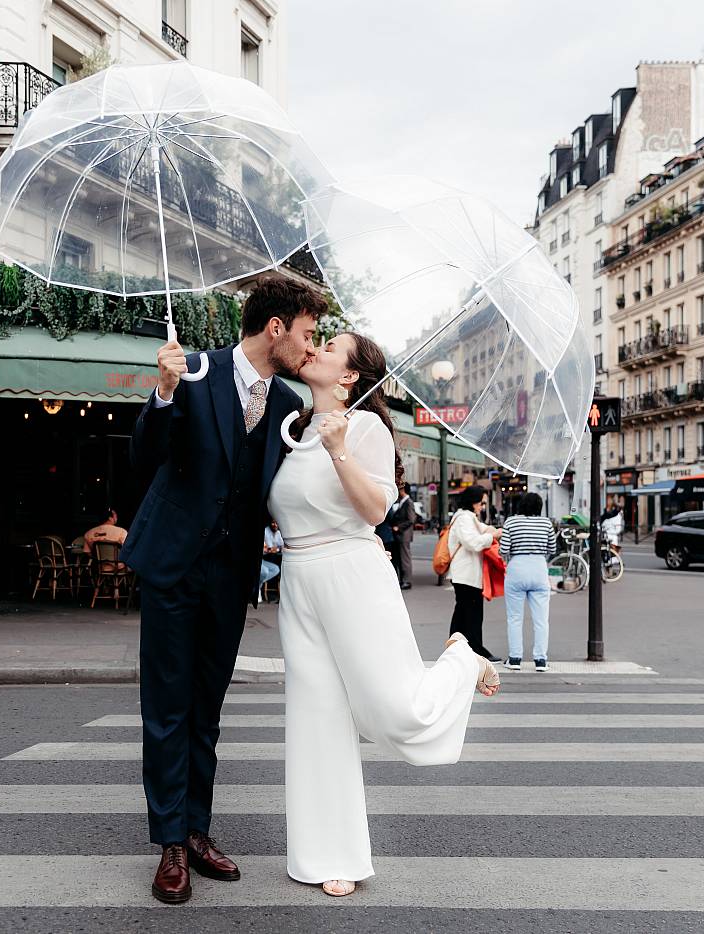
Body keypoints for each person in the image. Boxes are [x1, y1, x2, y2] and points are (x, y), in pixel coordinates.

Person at [270, 331, 499, 899]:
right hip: (299, 580)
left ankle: (461, 659)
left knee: (398, 711)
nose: (315, 348)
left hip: (352, 572)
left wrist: (340, 447)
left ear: (349, 377)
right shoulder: (290, 429)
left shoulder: (364, 427)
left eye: (329, 348)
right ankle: (330, 853)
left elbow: (375, 509)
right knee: (316, 720)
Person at [119, 276, 321, 905]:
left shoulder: (289, 404)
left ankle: (198, 830)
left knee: (206, 710)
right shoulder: (195, 369)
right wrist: (164, 392)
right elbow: (144, 454)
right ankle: (171, 844)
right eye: (308, 334)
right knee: (168, 709)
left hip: (231, 577)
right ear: (276, 327)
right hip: (174, 566)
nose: (311, 347)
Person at [499, 492, 557, 673]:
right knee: (541, 619)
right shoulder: (546, 523)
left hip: (517, 568)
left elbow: (504, 549)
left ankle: (515, 658)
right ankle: (540, 660)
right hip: (539, 567)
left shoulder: (511, 522)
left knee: (514, 618)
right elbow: (552, 548)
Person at [446, 485, 503, 662]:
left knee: (464, 611)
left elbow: (483, 528)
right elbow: (472, 542)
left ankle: (456, 647)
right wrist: (493, 537)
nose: (483, 506)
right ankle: (475, 649)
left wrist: (492, 531)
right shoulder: (464, 518)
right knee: (471, 613)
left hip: (466, 574)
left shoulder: (468, 518)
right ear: (474, 501)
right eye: (482, 502)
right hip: (465, 574)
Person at [388, 484, 417, 589]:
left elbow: (411, 519)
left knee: (405, 558)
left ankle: (407, 581)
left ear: (403, 489)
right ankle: (403, 580)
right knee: (401, 558)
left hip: (404, 534)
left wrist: (398, 528)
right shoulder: (403, 501)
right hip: (401, 535)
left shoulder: (408, 502)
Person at [256, 520, 283, 605]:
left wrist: (276, 548)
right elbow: (264, 548)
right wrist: (271, 549)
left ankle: (256, 586)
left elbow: (281, 546)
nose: (275, 525)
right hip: (257, 559)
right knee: (264, 571)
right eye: (273, 523)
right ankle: (257, 590)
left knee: (276, 569)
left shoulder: (278, 533)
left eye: (276, 523)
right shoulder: (265, 531)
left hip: (265, 559)